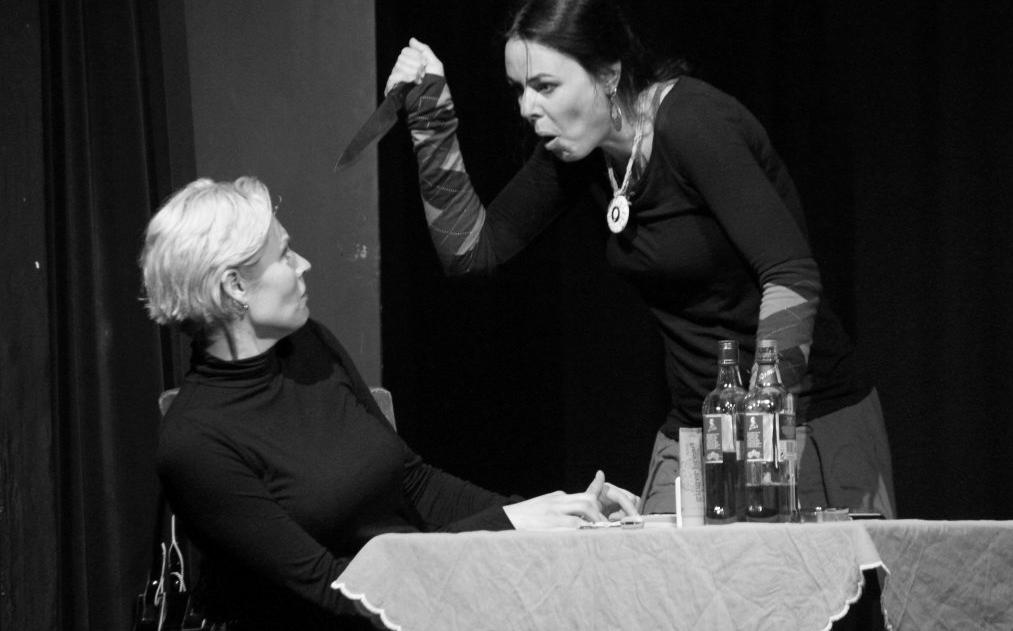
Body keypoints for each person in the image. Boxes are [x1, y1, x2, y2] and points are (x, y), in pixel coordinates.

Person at [385, 0, 896, 519]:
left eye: (546, 86)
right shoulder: (579, 156)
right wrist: (431, 118)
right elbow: (470, 252)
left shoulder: (693, 122)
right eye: (519, 89)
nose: (527, 108)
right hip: (697, 429)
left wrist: (759, 429)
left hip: (799, 423)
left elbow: (790, 273)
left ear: (609, 73)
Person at [139, 176, 640, 630]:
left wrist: (549, 514)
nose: (303, 264)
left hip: (421, 599)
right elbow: (329, 592)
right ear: (235, 286)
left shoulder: (307, 345)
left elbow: (413, 483)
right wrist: (506, 528)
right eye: (285, 254)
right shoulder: (196, 443)